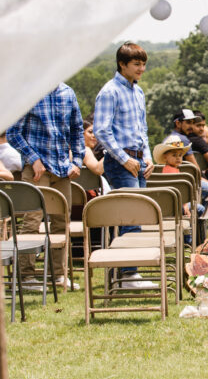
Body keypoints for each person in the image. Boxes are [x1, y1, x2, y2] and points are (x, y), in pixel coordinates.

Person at [6, 83, 85, 290]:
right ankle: (26, 277)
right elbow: (14, 132)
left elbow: (77, 130)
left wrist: (76, 161)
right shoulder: (28, 91)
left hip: (62, 170)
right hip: (36, 170)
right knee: (31, 222)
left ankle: (58, 275)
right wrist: (33, 159)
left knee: (62, 223)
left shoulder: (68, 93)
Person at [93, 42, 156, 289]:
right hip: (121, 162)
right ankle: (128, 275)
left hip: (139, 160)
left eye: (143, 64)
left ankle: (129, 272)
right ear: (122, 64)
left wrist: (148, 157)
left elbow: (143, 130)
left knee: (138, 216)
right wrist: (124, 159)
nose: (141, 69)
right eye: (137, 64)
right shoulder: (110, 91)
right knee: (129, 218)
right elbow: (101, 131)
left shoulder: (138, 92)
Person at [153, 138, 192, 216]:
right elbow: (179, 192)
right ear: (165, 157)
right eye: (174, 155)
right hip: (177, 206)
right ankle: (195, 228)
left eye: (180, 155)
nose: (178, 158)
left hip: (168, 206)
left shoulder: (166, 170)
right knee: (200, 208)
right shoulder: (172, 173)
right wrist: (185, 206)